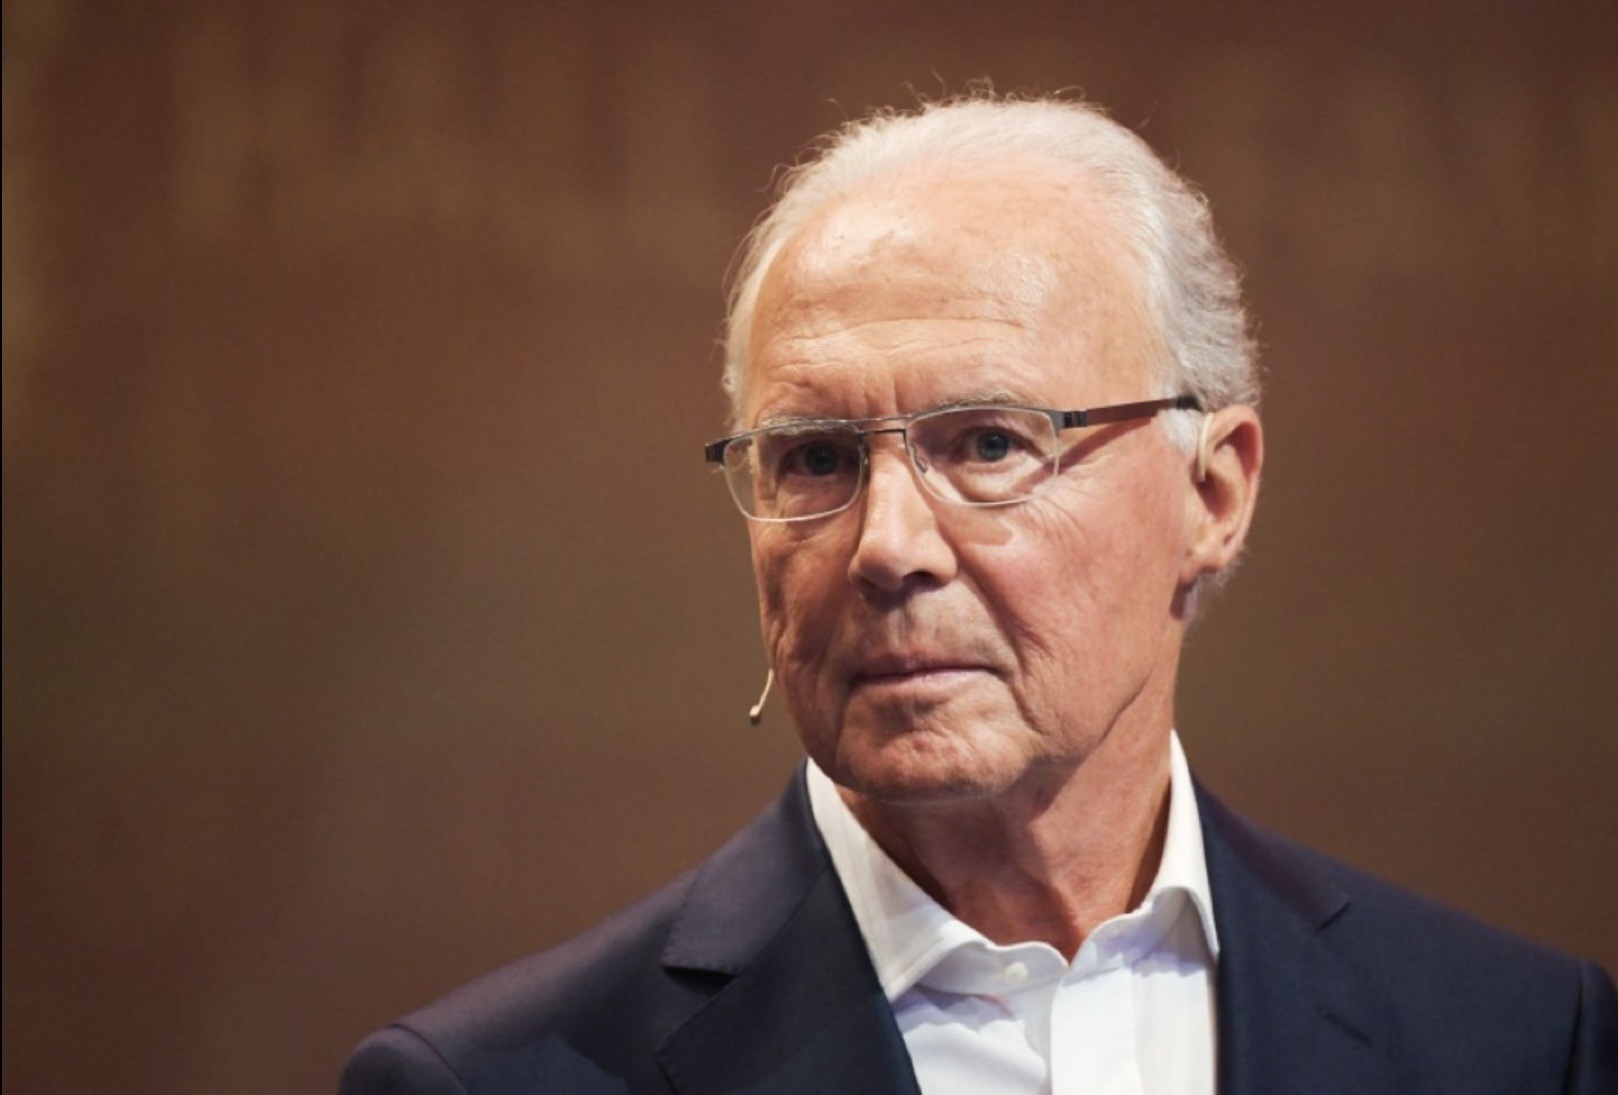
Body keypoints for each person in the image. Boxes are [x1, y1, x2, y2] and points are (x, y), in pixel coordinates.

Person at [340, 92, 1617, 1094]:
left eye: (991, 444)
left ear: (1212, 493)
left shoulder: (1516, 1043)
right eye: (816, 458)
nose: (887, 546)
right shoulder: (496, 1080)